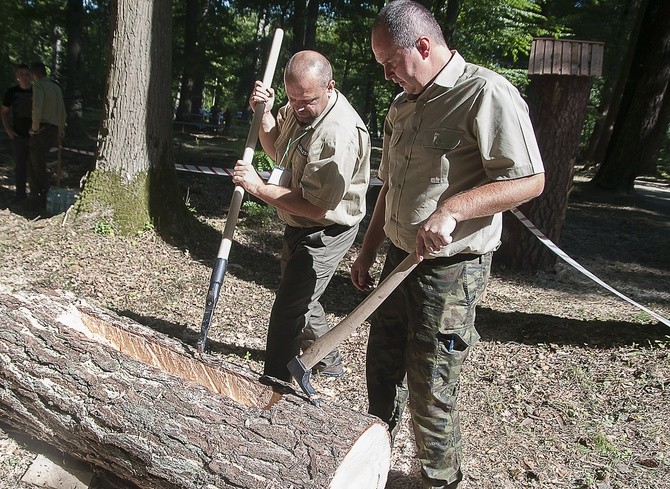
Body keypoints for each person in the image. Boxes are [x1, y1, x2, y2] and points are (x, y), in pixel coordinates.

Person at [350, 2, 546, 488]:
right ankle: (375, 465)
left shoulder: (485, 93)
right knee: (382, 367)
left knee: (431, 387)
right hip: (397, 258)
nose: (388, 74)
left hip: (449, 271)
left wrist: (453, 209)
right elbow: (390, 188)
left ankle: (439, 481)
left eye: (391, 62)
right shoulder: (402, 106)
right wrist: (369, 247)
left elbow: (530, 180)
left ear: (423, 45)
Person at [233, 50, 371, 382]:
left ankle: (275, 385)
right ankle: (328, 358)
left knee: (287, 310)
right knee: (300, 295)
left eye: (306, 100)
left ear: (330, 87)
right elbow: (278, 148)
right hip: (297, 220)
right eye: (292, 98)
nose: (298, 107)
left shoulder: (336, 134)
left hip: (327, 228)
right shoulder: (300, 108)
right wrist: (263, 113)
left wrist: (258, 188)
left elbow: (316, 206)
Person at [28, 61, 66, 213]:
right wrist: (61, 130)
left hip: (42, 130)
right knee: (40, 163)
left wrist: (34, 128)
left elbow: (37, 107)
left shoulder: (39, 86)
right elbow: (62, 111)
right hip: (54, 130)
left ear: (34, 74)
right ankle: (42, 198)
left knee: (35, 164)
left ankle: (41, 200)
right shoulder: (55, 87)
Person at [1, 64, 33, 205]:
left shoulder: (37, 91)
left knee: (34, 166)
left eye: (27, 74)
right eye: (22, 75)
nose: (25, 78)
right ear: (17, 77)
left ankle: (36, 195)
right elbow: (4, 111)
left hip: (36, 135)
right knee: (20, 166)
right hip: (18, 135)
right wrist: (8, 129)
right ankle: (20, 195)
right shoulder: (12, 92)